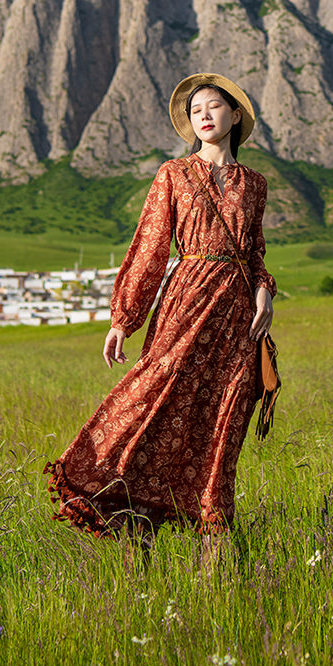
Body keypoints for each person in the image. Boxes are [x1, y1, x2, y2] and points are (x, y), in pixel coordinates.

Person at [43, 73, 275, 542]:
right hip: (185, 302)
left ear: (235, 116)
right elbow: (150, 246)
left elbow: (254, 252)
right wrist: (123, 319)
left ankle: (215, 535)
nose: (204, 116)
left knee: (221, 415)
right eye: (196, 112)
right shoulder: (173, 173)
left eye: (213, 107)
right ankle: (131, 510)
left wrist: (264, 292)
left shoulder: (255, 184)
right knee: (155, 395)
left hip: (236, 319)